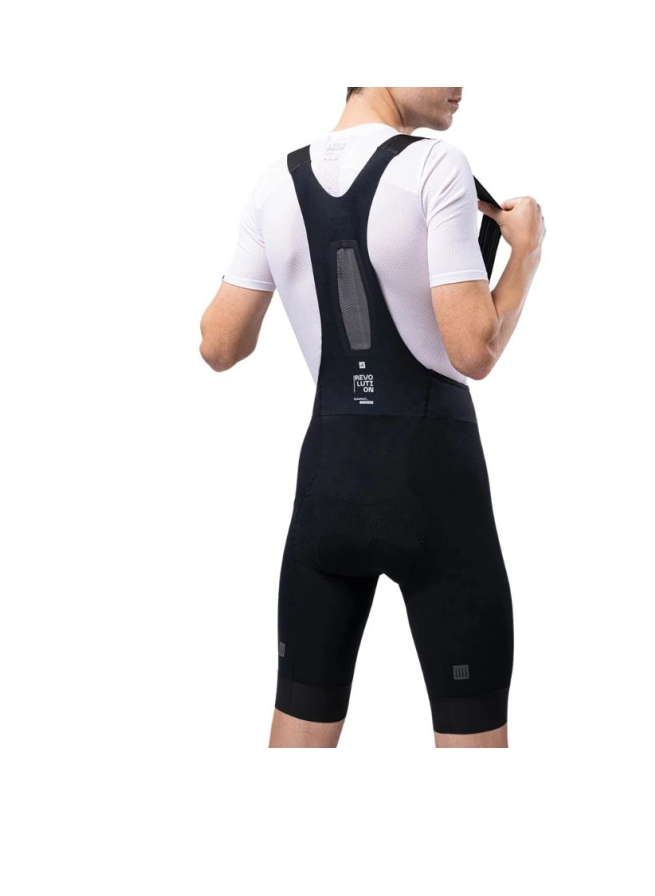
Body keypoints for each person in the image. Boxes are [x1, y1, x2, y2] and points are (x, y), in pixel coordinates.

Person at [200, 87, 545, 748]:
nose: (459, 84)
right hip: (435, 492)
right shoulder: (435, 165)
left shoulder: (275, 183)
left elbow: (219, 346)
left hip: (327, 490)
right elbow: (473, 350)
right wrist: (524, 256)